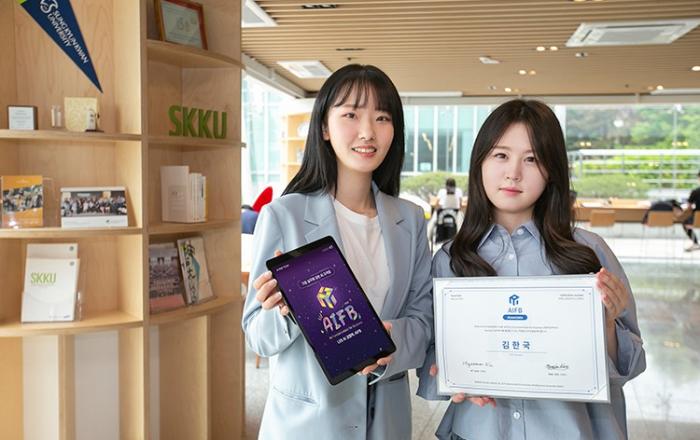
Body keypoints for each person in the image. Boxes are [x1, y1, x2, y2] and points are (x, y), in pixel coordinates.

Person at [418, 99, 646, 440]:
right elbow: (431, 359)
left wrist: (608, 324)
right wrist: (448, 376)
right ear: (479, 162)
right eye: (501, 155)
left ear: (551, 170)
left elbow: (632, 364)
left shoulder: (589, 252)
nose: (513, 173)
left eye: (532, 159)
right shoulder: (451, 259)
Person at [242, 64, 433, 439]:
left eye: (382, 117)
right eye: (351, 115)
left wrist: (390, 340)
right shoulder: (284, 216)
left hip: (386, 423)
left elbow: (423, 322)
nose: (368, 131)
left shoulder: (410, 220)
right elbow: (258, 336)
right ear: (325, 128)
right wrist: (284, 312)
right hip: (307, 424)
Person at [681, 170, 700, 251]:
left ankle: (695, 243)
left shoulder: (695, 192)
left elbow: (689, 206)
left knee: (684, 223)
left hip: (697, 218)